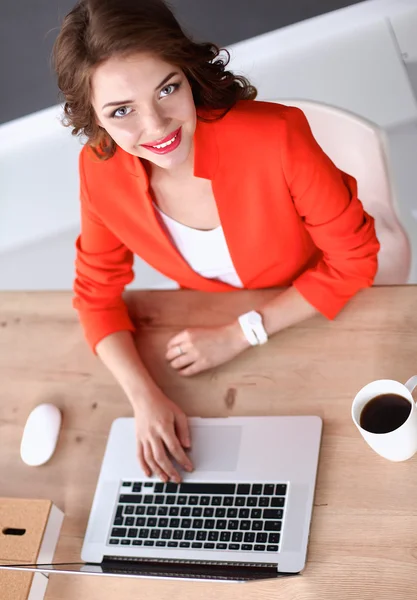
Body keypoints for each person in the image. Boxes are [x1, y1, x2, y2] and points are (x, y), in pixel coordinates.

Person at [53, 0, 379, 483]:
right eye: (122, 111)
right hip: (206, 321)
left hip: (311, 306)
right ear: (94, 118)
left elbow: (354, 263)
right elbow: (95, 296)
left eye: (168, 88)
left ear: (188, 72)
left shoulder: (277, 135)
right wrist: (145, 399)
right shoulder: (98, 170)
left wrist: (240, 333)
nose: (157, 126)